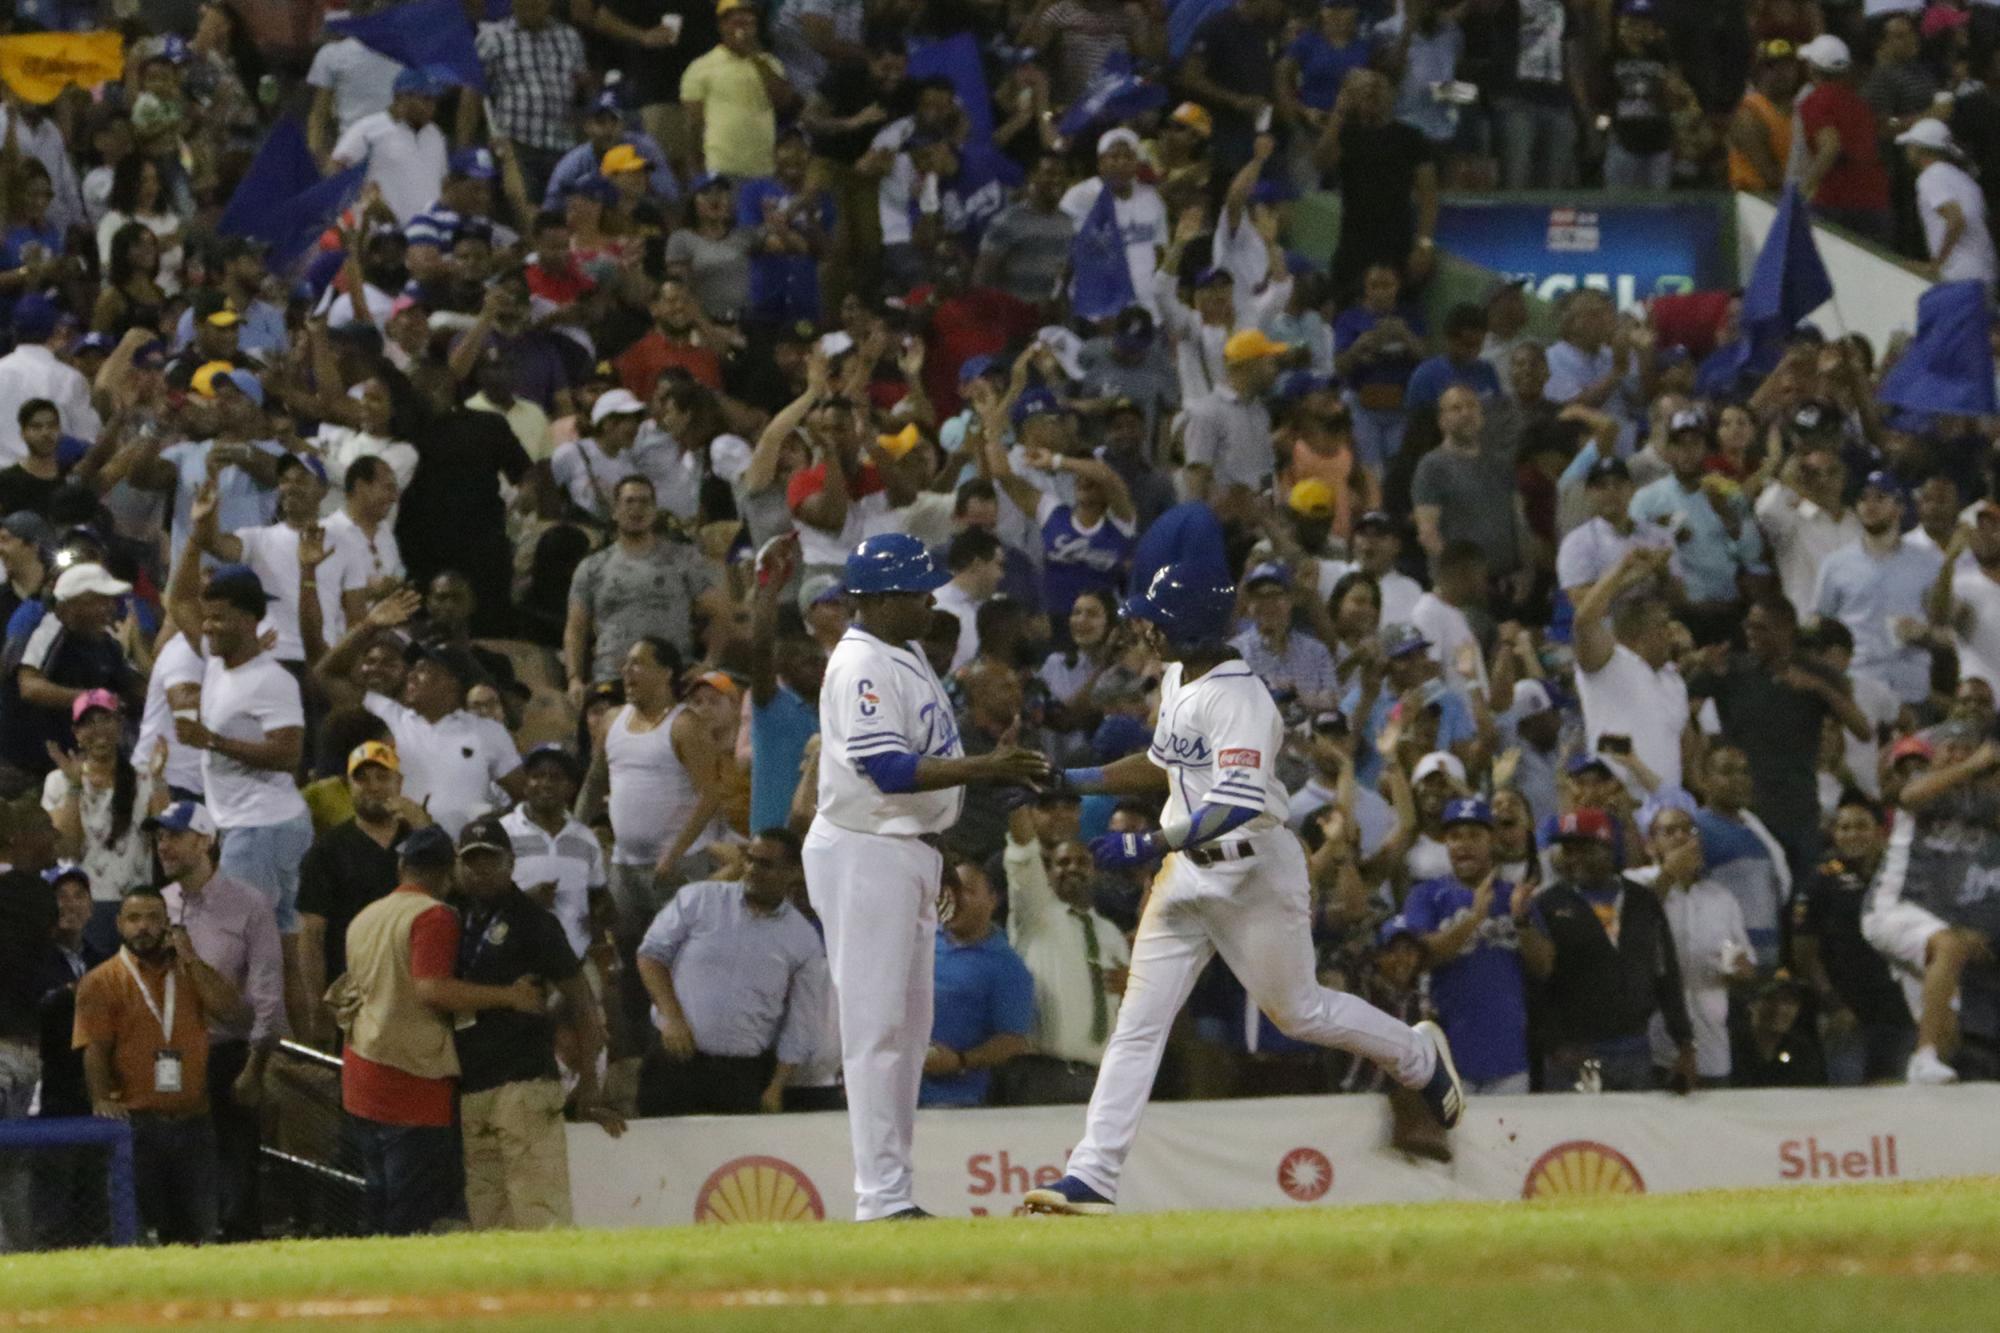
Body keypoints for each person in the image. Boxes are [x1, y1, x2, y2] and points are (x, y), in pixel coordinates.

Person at [1024, 565, 1461, 1217]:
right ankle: (1091, 1173)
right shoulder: (1177, 674)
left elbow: (1236, 803)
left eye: (1157, 614)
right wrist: (1069, 777)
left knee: (1300, 1011)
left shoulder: (1242, 697)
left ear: (1189, 623)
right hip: (1187, 874)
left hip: (1254, 869)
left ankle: (1417, 1054)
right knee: (1141, 1021)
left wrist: (1148, 844)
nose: (1144, 624)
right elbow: (1163, 760)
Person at [804, 533, 1047, 1218]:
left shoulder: (901, 650)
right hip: (863, 846)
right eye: (915, 590)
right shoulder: (859, 663)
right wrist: (986, 768)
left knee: (910, 1030)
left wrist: (932, 848)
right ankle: (878, 1197)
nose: (928, 599)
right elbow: (887, 768)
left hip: (902, 845)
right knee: (877, 1026)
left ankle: (895, 1191)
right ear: (878, 599)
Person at [329, 826, 542, 1237]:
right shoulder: (434, 915)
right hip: (411, 1076)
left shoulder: (365, 916)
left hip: (361, 1069)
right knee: (411, 1212)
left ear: (402, 867)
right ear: (449, 873)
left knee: (377, 1198)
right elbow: (432, 989)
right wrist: (510, 996)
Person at [452, 815, 615, 1230]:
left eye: (490, 859)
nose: (480, 869)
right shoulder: (456, 921)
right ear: (458, 866)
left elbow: (581, 999)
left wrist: (591, 1083)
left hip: (523, 1081)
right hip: (474, 1083)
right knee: (489, 1216)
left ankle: (556, 1294)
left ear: (510, 863)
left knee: (540, 1209)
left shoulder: (533, 922)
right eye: (471, 861)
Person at [73, 886, 249, 1245]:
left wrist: (192, 959)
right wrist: (101, 1099)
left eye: (153, 918)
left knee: (201, 1233)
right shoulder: (102, 980)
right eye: (134, 919)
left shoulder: (191, 973)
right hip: (137, 1126)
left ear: (168, 924)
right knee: (138, 1234)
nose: (144, 927)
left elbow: (234, 1015)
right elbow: (94, 1048)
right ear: (119, 925)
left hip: (194, 1121)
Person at [154, 801, 287, 1242]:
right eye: (160, 837)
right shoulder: (158, 904)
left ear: (205, 841)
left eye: (174, 836)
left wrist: (254, 1068)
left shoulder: (249, 904)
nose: (163, 846)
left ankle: (240, 1249)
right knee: (174, 1162)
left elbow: (267, 995)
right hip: (170, 1053)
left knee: (235, 1166)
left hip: (226, 1053)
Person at [634, 828, 831, 1115]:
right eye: (750, 859)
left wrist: (776, 1087)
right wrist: (672, 1017)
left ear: (793, 871)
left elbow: (801, 1021)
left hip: (741, 1075)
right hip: (673, 1060)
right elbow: (651, 957)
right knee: (658, 1155)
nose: (752, 869)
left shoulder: (803, 939)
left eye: (765, 864)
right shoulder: (699, 900)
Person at [1517, 809, 1696, 1093]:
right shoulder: (1547, 905)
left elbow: (1666, 972)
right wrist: (1553, 1045)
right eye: (1569, 850)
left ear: (1610, 849)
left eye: (1586, 848)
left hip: (1635, 1049)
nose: (1575, 858)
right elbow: (1535, 982)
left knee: (1635, 1136)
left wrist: (1685, 1044)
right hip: (1572, 1056)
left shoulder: (1642, 900)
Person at [296, 742, 425, 1048]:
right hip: (353, 997)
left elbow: (455, 890)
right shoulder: (328, 850)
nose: (373, 787)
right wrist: (318, 1006)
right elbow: (311, 935)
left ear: (399, 783)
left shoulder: (421, 842)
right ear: (348, 785)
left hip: (417, 993)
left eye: (382, 777)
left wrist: (423, 826)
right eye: (362, 778)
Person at [1401, 798, 1530, 1095]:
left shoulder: (1513, 896)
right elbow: (1420, 956)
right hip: (1446, 1055)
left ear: (1493, 840)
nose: (1463, 844)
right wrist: (1474, 919)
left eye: (1474, 835)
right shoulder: (1426, 895)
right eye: (1455, 836)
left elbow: (1544, 966)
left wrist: (1523, 922)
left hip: (1508, 1056)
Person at [564, 475, 729, 698]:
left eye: (645, 502)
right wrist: (574, 679)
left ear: (654, 510)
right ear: (615, 511)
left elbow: (721, 612)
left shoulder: (683, 559)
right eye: (629, 502)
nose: (637, 509)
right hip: (612, 680)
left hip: (671, 682)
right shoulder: (592, 567)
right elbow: (576, 627)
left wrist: (709, 663)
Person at [1793, 792, 1915, 1087]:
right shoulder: (1820, 880)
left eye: (1860, 826)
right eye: (1844, 827)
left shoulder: (1901, 877)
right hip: (1847, 1015)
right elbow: (1804, 953)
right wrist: (1833, 1004)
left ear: (1880, 832)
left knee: (1897, 1105)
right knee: (1849, 1105)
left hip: (1898, 1012)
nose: (1852, 834)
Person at [358, 641, 526, 841]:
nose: (410, 676)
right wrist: (369, 625)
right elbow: (326, 676)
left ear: (451, 681)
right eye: (412, 669)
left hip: (462, 856)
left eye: (423, 671)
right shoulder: (389, 716)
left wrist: (493, 824)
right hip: (397, 851)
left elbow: (524, 795)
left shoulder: (488, 732)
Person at [43, 689, 166, 950]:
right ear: (76, 733)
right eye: (89, 722)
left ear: (120, 724)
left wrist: (158, 781)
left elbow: (163, 841)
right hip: (84, 909)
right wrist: (75, 788)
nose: (99, 729)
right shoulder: (58, 781)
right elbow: (67, 848)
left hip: (136, 908)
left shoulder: (144, 778)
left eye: (106, 719)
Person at [1640, 805, 1753, 1088]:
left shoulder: (1721, 898)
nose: (1682, 837)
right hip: (1655, 1044)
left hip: (1713, 1046)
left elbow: (1747, 963)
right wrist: (1668, 873)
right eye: (1670, 831)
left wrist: (1740, 969)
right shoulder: (1636, 883)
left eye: (1689, 830)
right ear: (1651, 845)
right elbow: (1635, 922)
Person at [922, 854, 1034, 1107]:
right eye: (950, 889)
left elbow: (1012, 1040)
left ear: (993, 900)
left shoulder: (1007, 966)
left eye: (968, 890)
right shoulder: (920, 941)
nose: (956, 897)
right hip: (894, 1093)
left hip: (955, 1100)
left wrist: (960, 1061)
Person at [501, 744, 608, 961]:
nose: (546, 784)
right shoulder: (503, 831)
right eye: (537, 776)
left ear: (571, 788)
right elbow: (483, 895)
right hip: (516, 957)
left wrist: (602, 911)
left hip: (574, 958)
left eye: (556, 777)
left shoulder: (585, 838)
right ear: (525, 783)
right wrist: (525, 899)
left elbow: (598, 896)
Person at [1796, 35, 1891, 243]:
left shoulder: (1815, 101)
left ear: (1812, 68)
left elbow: (1830, 147)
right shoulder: (1859, 103)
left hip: (1835, 201)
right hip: (1874, 200)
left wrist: (1802, 191)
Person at [1897, 119, 1997, 294]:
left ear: (1920, 149)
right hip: (1985, 272)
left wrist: (1935, 264)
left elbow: (1956, 219)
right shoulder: (1963, 179)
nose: (1907, 151)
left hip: (1960, 275)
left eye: (1910, 146)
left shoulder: (1931, 177)